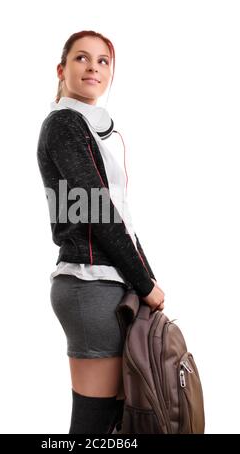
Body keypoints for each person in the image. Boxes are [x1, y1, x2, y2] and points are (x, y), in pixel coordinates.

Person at [36, 30, 165, 434]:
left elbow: (119, 216)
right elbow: (98, 211)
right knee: (94, 423)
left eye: (103, 60)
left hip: (103, 283)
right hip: (88, 283)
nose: (93, 66)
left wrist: (147, 277)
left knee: (109, 420)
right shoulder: (64, 124)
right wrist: (144, 284)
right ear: (62, 69)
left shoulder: (89, 127)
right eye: (81, 58)